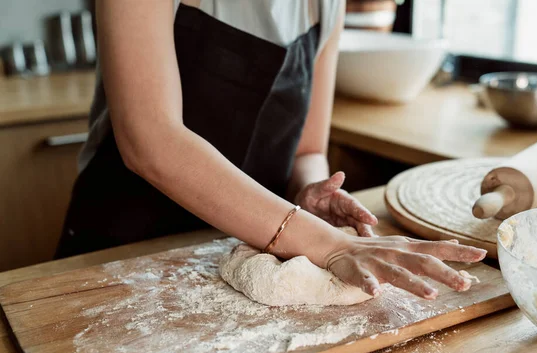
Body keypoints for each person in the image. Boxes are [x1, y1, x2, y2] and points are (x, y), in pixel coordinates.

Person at [56, 0, 486, 300]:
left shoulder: (325, 4)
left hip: (236, 253)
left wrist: (313, 190)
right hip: (119, 248)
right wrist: (331, 245)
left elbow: (307, 149)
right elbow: (150, 142)